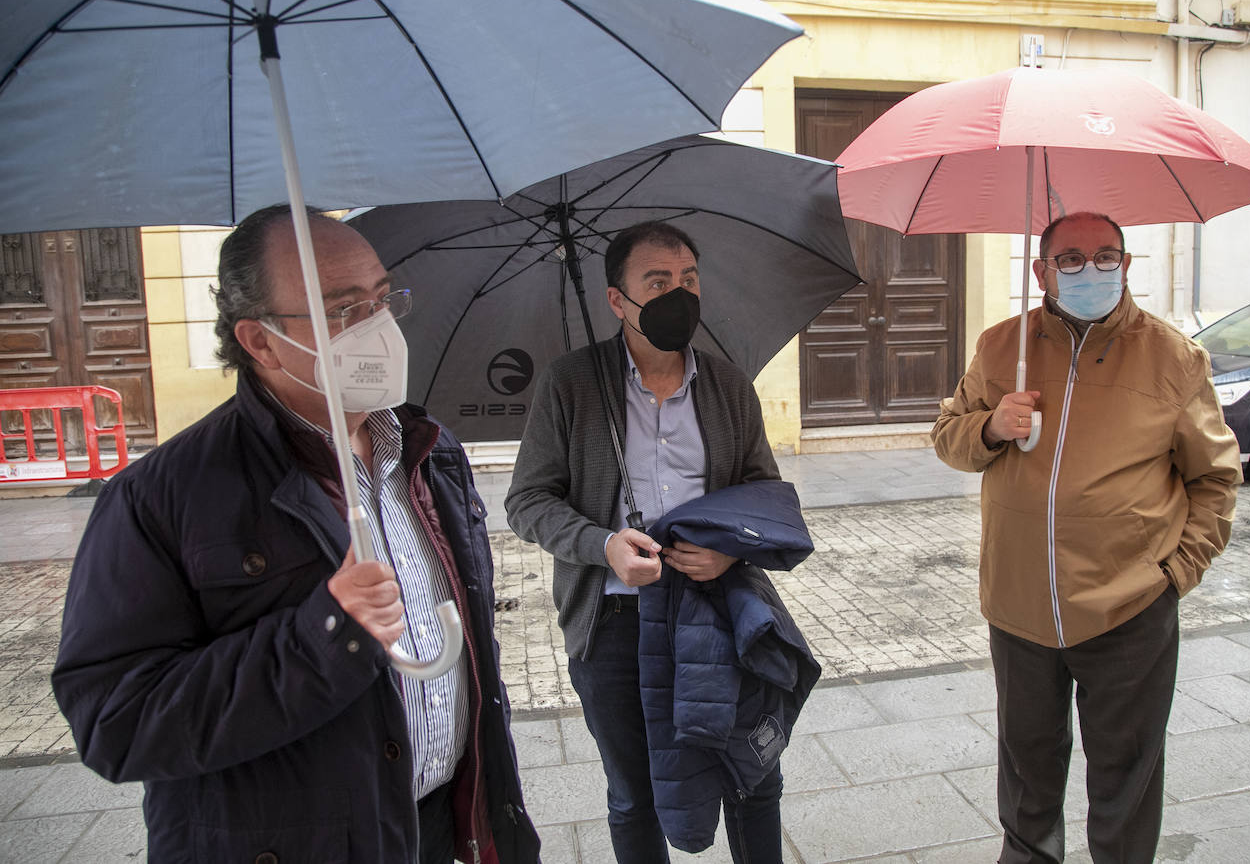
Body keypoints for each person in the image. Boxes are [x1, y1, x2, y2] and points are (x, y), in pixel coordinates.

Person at [51, 205, 539, 864]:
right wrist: (321, 637)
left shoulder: (429, 450)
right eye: (342, 310)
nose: (377, 327)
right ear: (260, 341)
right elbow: (117, 723)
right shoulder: (163, 496)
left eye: (382, 299)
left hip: (434, 829)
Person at [932, 211, 1242, 864]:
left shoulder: (1174, 357)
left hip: (1128, 608)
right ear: (1041, 271)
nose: (1089, 270)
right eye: (1070, 259)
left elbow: (1214, 478)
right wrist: (991, 426)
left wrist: (1175, 573)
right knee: (1027, 772)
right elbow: (948, 438)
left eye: (1105, 256)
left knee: (1125, 776)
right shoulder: (1001, 346)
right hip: (1019, 605)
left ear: (1126, 265)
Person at [505, 220, 785, 863]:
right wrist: (602, 544)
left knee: (753, 776)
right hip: (613, 624)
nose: (678, 295)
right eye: (657, 283)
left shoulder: (728, 385)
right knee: (634, 795)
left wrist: (730, 549)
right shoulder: (571, 384)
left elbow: (766, 495)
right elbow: (527, 502)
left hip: (719, 610)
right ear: (617, 299)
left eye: (688, 279)